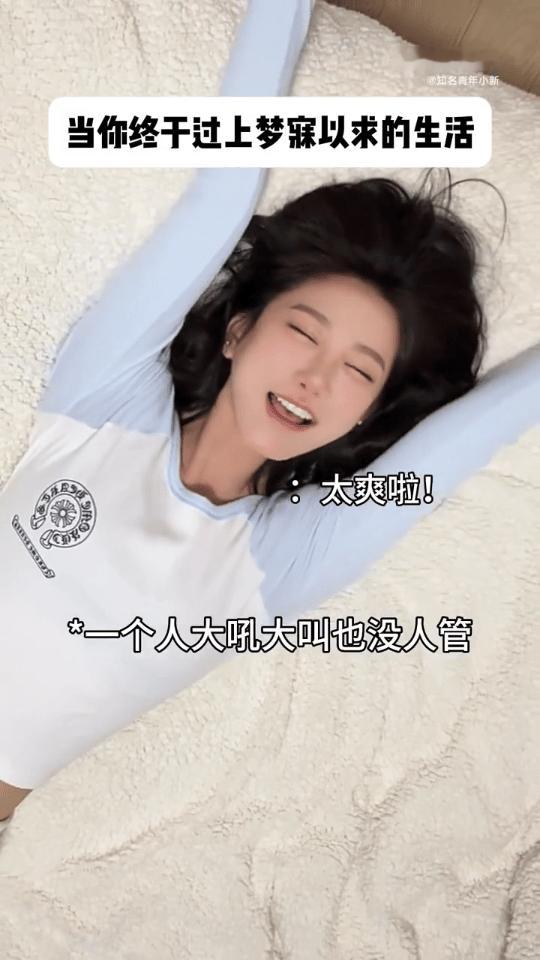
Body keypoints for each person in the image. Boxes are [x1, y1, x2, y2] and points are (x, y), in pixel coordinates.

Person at [1, 0, 539, 831]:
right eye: (302, 332)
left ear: (364, 416)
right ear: (239, 330)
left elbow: (484, 426)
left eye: (358, 371)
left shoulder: (281, 565)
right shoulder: (100, 404)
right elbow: (219, 201)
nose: (315, 378)